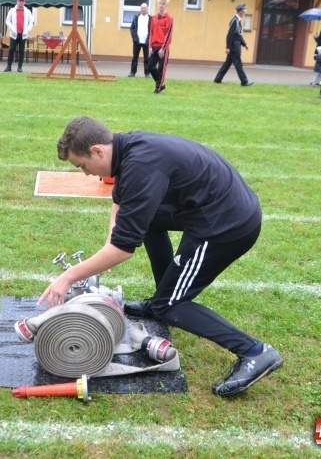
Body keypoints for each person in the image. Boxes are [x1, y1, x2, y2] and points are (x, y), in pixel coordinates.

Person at [38, 116, 283, 397]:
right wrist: (106, 248)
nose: (85, 174)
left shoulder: (140, 166)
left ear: (97, 151)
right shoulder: (126, 148)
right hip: (209, 207)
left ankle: (255, 351)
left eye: (82, 166)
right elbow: (120, 205)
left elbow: (122, 250)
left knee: (172, 305)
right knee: (150, 221)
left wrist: (69, 276)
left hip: (226, 225)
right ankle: (161, 300)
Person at [214, 4, 253, 86]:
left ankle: (217, 79)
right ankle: (244, 81)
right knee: (238, 64)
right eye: (243, 12)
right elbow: (230, 34)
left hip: (235, 46)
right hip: (234, 47)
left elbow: (239, 35)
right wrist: (228, 47)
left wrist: (245, 44)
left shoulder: (238, 21)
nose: (244, 13)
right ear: (240, 11)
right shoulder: (235, 21)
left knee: (227, 64)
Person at [147, 0, 173, 93]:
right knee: (150, 66)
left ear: (166, 5)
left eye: (163, 4)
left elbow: (168, 33)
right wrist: (150, 46)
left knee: (162, 68)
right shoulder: (153, 17)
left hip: (163, 47)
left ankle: (158, 88)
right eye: (160, 4)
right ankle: (161, 84)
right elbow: (151, 32)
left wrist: (163, 48)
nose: (161, 6)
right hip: (154, 46)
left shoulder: (169, 18)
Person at [4, 0, 34, 73]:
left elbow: (31, 22)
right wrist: (12, 28)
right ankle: (8, 66)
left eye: (22, 1)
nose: (21, 2)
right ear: (17, 1)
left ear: (24, 2)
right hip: (14, 34)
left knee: (21, 51)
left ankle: (20, 67)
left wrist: (27, 29)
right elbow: (7, 20)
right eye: (20, 1)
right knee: (11, 50)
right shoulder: (12, 10)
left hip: (23, 35)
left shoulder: (27, 11)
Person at [129, 3, 151, 77]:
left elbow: (153, 30)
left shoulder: (151, 18)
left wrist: (149, 39)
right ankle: (132, 72)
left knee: (147, 58)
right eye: (142, 8)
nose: (143, 9)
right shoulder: (136, 17)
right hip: (137, 41)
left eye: (145, 8)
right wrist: (134, 37)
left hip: (147, 42)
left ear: (147, 9)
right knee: (135, 58)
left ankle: (147, 73)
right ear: (140, 9)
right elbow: (132, 28)